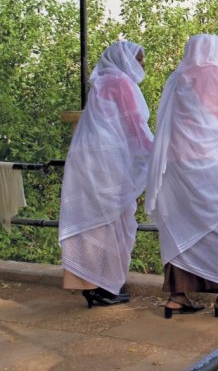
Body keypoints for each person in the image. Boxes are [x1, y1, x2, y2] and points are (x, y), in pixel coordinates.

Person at [145, 34, 218, 319]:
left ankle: (177, 296)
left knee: (178, 226)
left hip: (176, 168)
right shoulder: (216, 75)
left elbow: (167, 122)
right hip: (207, 167)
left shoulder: (176, 78)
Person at [58, 40, 153, 308]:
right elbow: (135, 125)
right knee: (112, 220)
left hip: (87, 159)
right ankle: (107, 287)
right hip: (109, 162)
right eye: (139, 59)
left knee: (94, 219)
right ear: (124, 59)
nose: (142, 65)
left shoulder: (100, 82)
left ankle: (92, 285)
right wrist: (160, 152)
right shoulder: (122, 83)